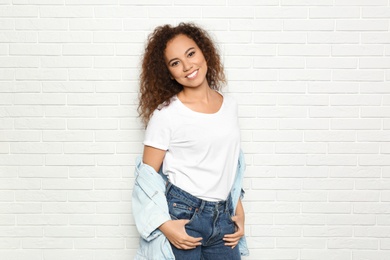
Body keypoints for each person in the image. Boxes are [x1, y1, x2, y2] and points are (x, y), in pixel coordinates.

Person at [132, 22, 248, 260]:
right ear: (168, 71)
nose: (187, 66)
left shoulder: (230, 105)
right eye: (175, 63)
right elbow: (146, 177)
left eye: (191, 53)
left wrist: (238, 210)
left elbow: (228, 164)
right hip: (183, 216)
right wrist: (164, 225)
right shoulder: (165, 114)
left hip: (224, 218)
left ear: (204, 52)